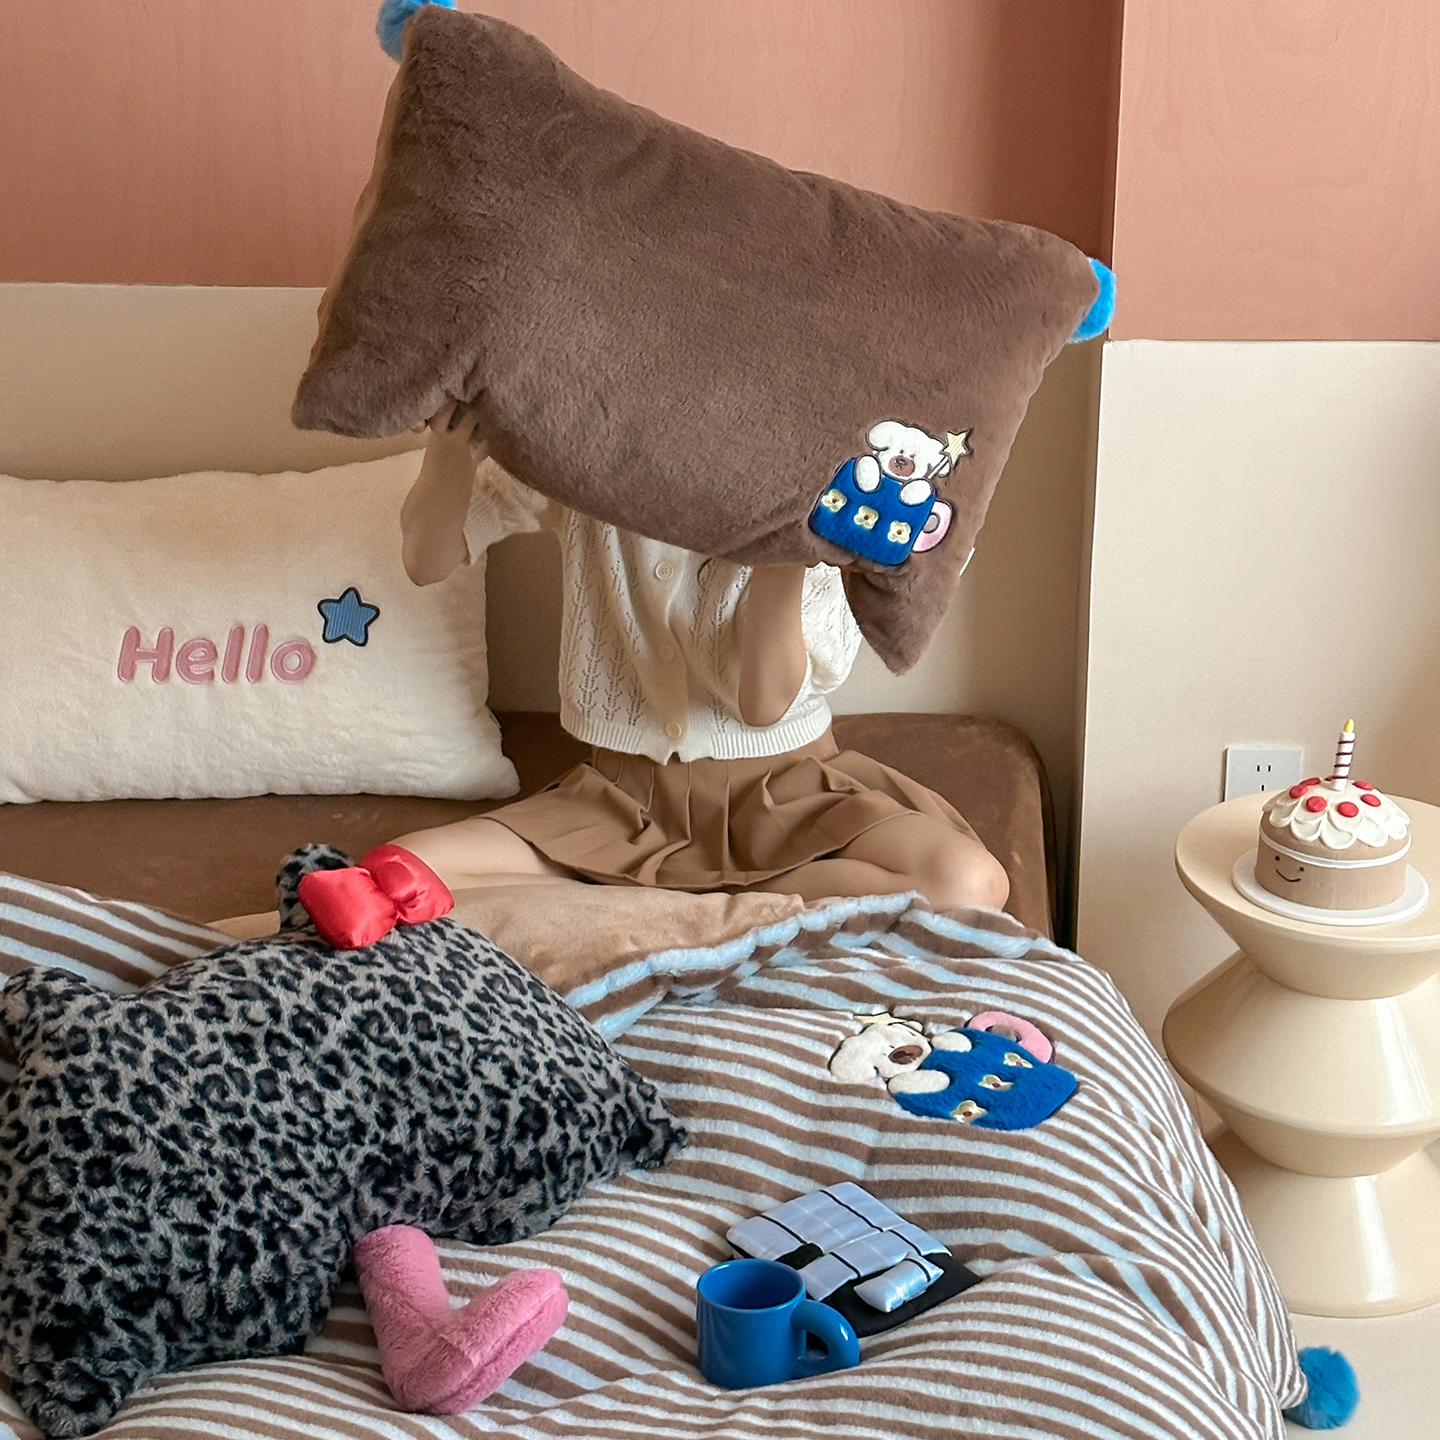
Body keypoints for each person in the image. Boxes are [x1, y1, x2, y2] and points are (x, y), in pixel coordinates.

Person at [390, 404, 1009, 913]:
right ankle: (686, 905)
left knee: (968, 882)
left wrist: (786, 550)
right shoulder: (588, 443)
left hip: (786, 797)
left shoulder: (838, 486)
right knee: (401, 872)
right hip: (619, 806)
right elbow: (426, 559)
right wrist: (450, 452)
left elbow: (764, 704)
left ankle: (687, 905)